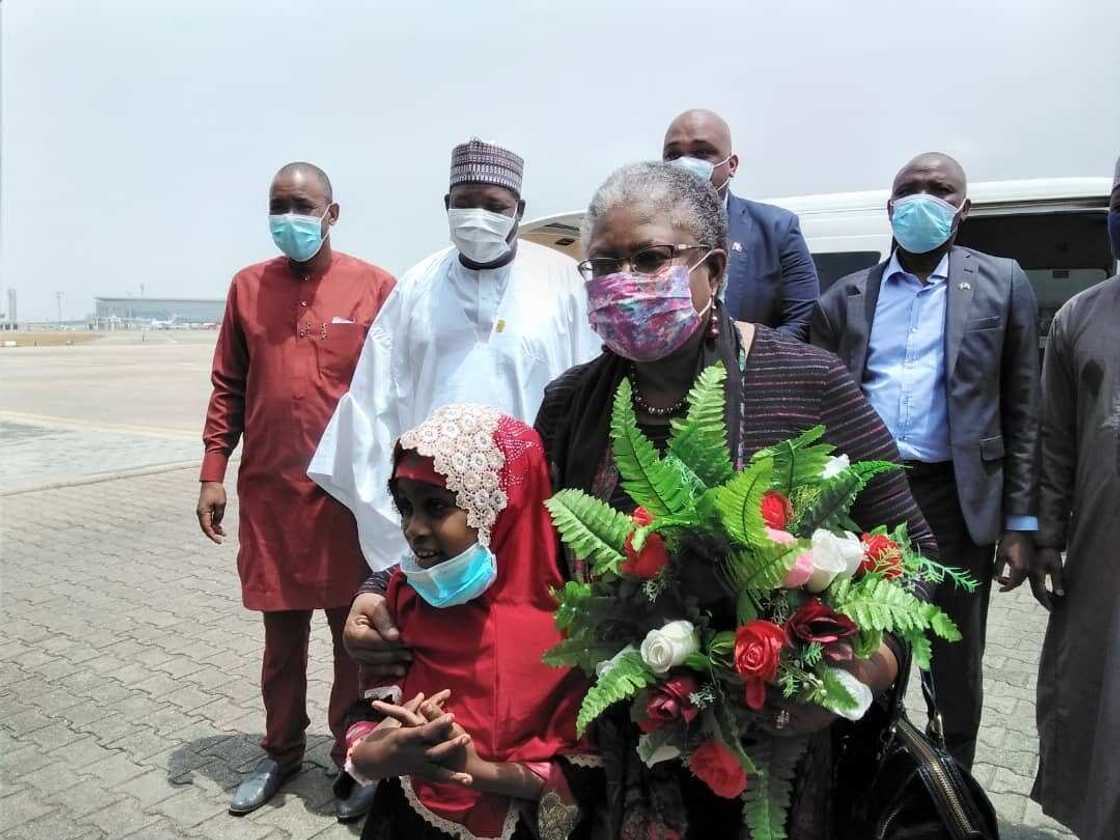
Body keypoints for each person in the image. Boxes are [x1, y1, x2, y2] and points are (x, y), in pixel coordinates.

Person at [810, 152, 1041, 769]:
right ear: (889, 208)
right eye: (909, 189)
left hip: (954, 501)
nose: (922, 199)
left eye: (939, 190)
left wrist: (1020, 525)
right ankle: (864, 774)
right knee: (862, 646)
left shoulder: (1003, 282)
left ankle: (950, 785)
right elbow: (815, 409)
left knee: (954, 659)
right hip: (864, 500)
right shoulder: (846, 298)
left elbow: (1023, 409)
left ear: (962, 211)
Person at [197, 162, 395, 820]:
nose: (291, 217)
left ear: (332, 213)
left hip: (346, 503)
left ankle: (354, 754)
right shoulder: (247, 289)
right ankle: (280, 752)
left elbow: (398, 390)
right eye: (278, 204)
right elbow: (228, 384)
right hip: (272, 499)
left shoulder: (374, 288)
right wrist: (212, 472)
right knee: (281, 645)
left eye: (303, 206)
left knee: (353, 640)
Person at [309, 138, 600, 575]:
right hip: (433, 515)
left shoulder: (563, 283)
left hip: (538, 515)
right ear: (447, 204)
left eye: (494, 204)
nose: (479, 215)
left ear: (518, 209)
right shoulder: (416, 286)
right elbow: (371, 411)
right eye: (466, 202)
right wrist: (401, 530)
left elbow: (594, 403)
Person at [342, 404, 602, 840]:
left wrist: (477, 771)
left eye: (436, 506)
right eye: (405, 507)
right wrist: (377, 754)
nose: (413, 528)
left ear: (500, 508)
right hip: (411, 816)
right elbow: (369, 711)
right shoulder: (407, 597)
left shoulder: (573, 626)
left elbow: (585, 771)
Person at [1029, 157, 1120, 840]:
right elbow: (1054, 440)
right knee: (1096, 710)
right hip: (1102, 558)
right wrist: (1046, 539)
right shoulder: (1081, 317)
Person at [662, 108, 819, 340]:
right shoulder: (641, 233)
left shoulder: (778, 229)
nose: (685, 164)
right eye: (673, 156)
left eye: (701, 153)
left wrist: (744, 359)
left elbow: (804, 321)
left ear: (732, 165)